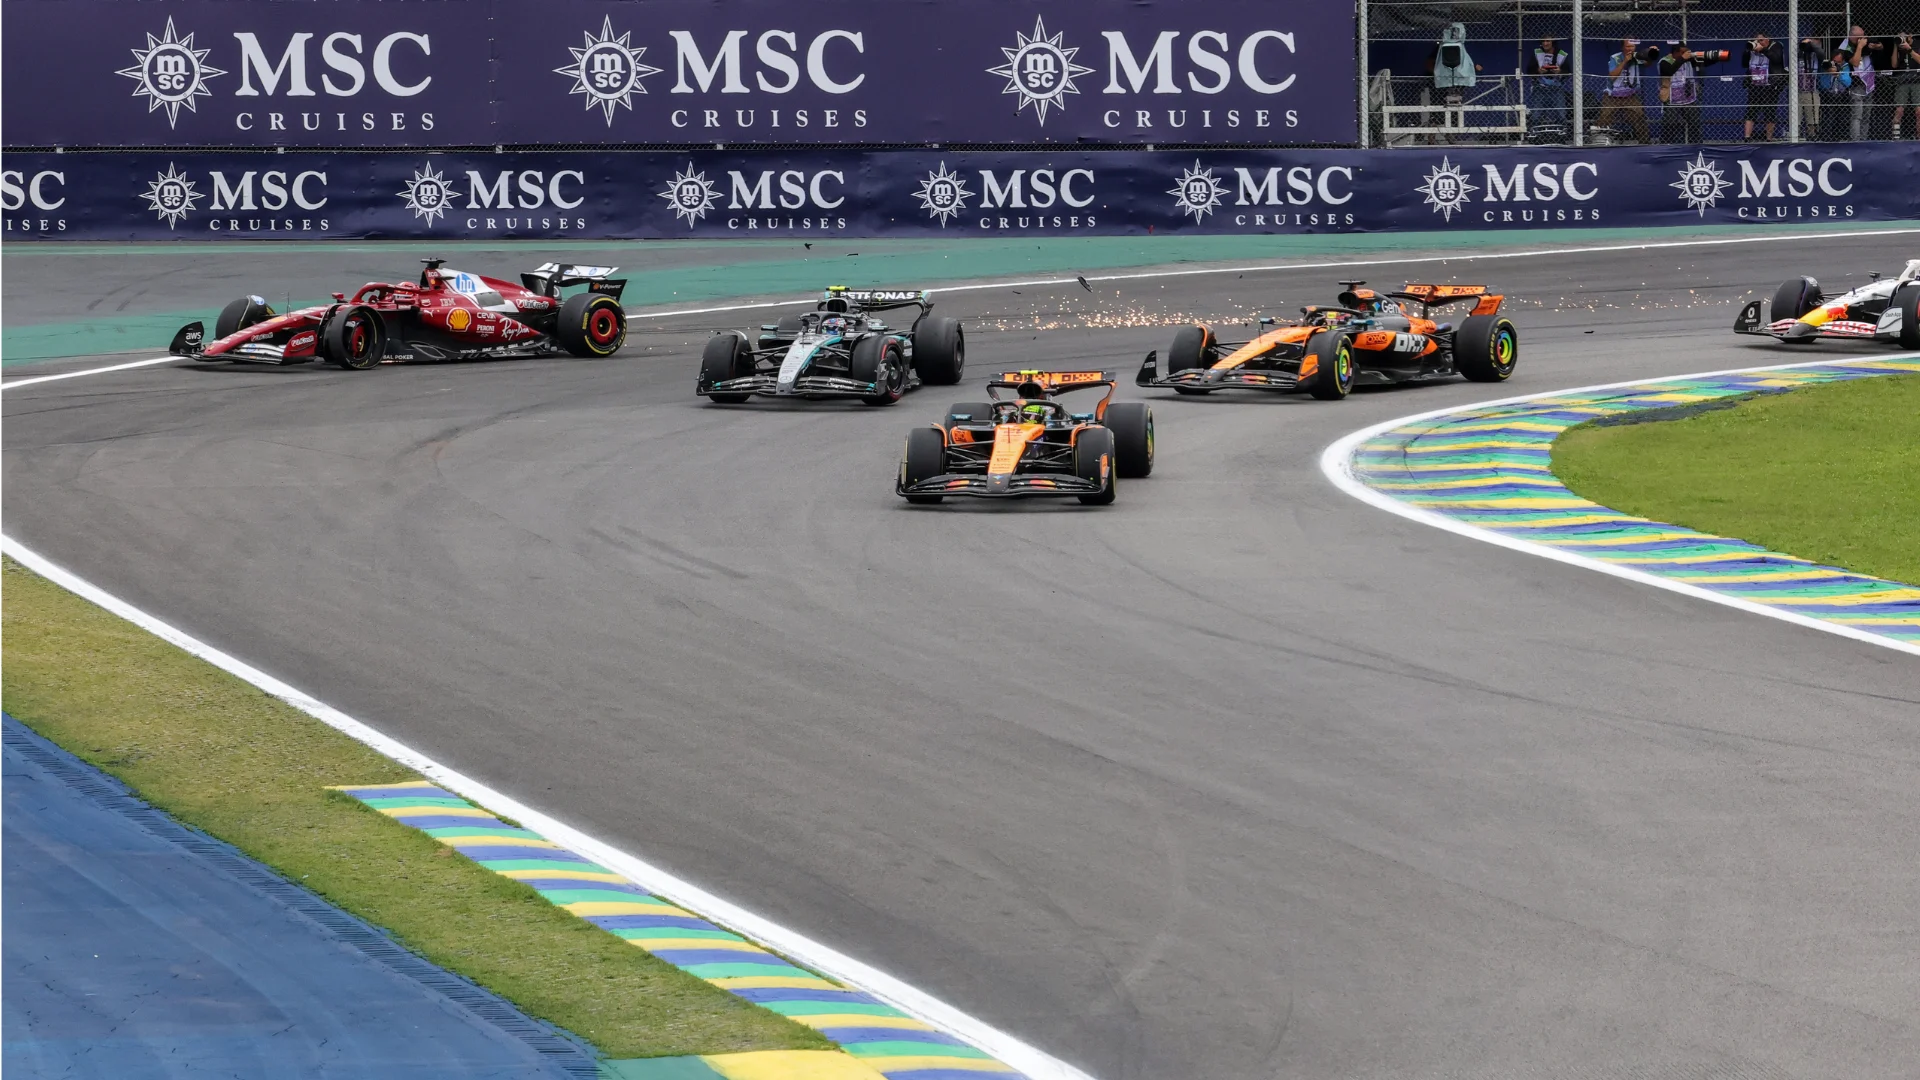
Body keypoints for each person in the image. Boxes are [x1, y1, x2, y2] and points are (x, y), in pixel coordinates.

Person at [1660, 44, 1729, 143]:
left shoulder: (1689, 60)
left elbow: (1704, 63)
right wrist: (1682, 59)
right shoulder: (1664, 61)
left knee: (1694, 122)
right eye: (1683, 52)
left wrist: (1718, 57)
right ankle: (1666, 144)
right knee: (1670, 123)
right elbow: (1669, 71)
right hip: (1671, 99)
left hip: (1688, 98)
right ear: (1676, 52)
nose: (1687, 54)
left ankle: (1695, 144)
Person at [1597, 38, 1652, 142]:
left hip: (1630, 95)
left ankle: (1645, 141)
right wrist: (1625, 61)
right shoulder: (1615, 58)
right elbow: (1612, 76)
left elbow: (1648, 64)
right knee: (1605, 117)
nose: (1630, 49)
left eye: (1632, 46)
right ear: (1622, 47)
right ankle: (1600, 140)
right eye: (1627, 46)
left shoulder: (1637, 56)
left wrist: (1650, 53)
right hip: (1613, 95)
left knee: (1639, 117)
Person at [1742, 33, 1787, 140]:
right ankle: (1747, 137)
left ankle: (1769, 138)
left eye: (1761, 40)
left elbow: (1777, 59)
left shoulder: (1776, 46)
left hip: (1770, 85)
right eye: (1757, 41)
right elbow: (1744, 64)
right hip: (1755, 84)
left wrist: (1763, 50)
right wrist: (1747, 51)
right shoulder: (1753, 48)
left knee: (1769, 112)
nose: (1759, 43)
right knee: (1751, 111)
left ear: (1768, 39)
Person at [1838, 27, 1880, 140]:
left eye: (1863, 36)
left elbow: (1881, 46)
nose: (1861, 39)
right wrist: (1860, 47)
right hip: (1856, 84)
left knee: (1866, 115)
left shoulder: (1863, 42)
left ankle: (1863, 138)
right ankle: (1855, 139)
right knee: (1857, 115)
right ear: (1852, 36)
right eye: (1859, 37)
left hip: (1868, 83)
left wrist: (1875, 46)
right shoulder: (1846, 47)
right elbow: (1855, 62)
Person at [1526, 37, 1571, 134]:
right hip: (1540, 87)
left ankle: (1561, 132)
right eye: (1543, 41)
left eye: (1548, 41)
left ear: (1553, 42)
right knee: (1536, 114)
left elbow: (1568, 72)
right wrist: (1538, 71)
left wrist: (1560, 71)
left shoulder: (1561, 54)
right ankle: (1535, 133)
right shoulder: (1536, 52)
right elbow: (1529, 70)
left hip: (1556, 88)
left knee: (1561, 113)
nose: (1545, 43)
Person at [1816, 47, 1855, 140]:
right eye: (1835, 61)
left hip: (1842, 95)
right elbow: (1822, 83)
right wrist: (1828, 71)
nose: (1836, 64)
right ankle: (1826, 138)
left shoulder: (1845, 66)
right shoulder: (1826, 65)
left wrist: (1838, 74)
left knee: (1842, 118)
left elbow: (1848, 82)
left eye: (1839, 62)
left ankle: (1841, 137)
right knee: (1827, 118)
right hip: (1828, 94)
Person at [1890, 32, 1919, 138]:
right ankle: (1896, 137)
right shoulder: (1899, 46)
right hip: (1903, 80)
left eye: (1904, 37)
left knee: (1919, 111)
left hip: (1917, 80)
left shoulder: (1917, 44)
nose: (1902, 39)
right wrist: (1896, 45)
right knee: (1899, 110)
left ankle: (1919, 138)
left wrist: (1909, 49)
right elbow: (1894, 65)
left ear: (1910, 36)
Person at [1797, 38, 1826, 137]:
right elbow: (1795, 53)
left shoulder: (1816, 55)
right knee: (1797, 115)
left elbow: (1822, 55)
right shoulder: (1797, 54)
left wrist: (1812, 44)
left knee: (1812, 116)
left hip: (1812, 89)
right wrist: (1802, 45)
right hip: (1797, 89)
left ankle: (1812, 135)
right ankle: (1796, 135)